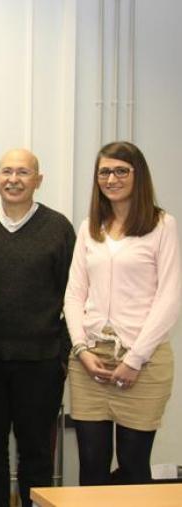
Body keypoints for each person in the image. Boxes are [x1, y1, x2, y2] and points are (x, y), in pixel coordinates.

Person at [0, 148, 75, 507]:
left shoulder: (58, 227)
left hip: (40, 362)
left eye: (23, 173)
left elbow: (75, 294)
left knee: (37, 453)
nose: (14, 179)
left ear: (38, 180)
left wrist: (64, 352)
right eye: (6, 172)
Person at [64, 141, 180, 486]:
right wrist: (81, 350)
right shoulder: (90, 227)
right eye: (104, 172)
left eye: (120, 171)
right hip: (90, 360)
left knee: (132, 465)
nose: (111, 178)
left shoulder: (162, 225)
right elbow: (74, 294)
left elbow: (170, 297)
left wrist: (136, 359)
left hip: (142, 359)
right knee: (91, 464)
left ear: (137, 174)